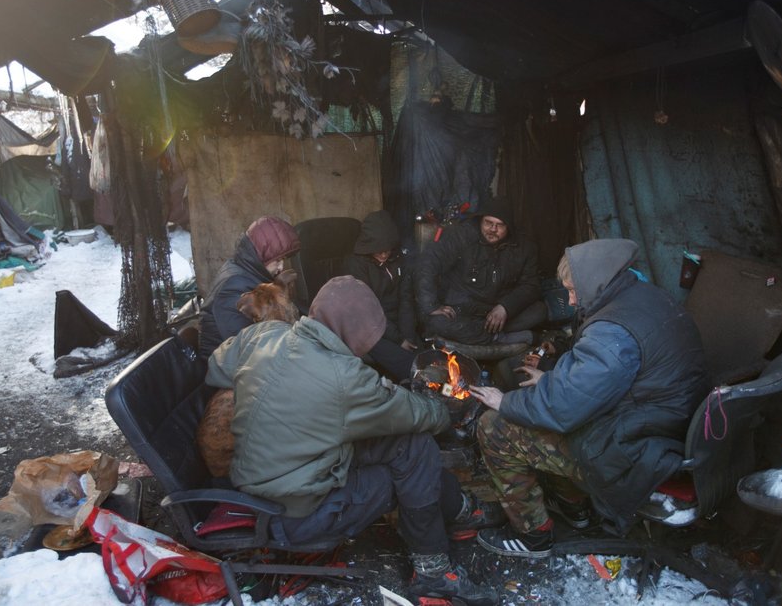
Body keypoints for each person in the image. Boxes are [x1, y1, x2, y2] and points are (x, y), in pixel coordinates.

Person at [206, 276, 501, 605]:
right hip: (298, 513)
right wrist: (443, 407)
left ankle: (457, 511)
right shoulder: (344, 378)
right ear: (354, 331)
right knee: (412, 458)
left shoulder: (264, 335)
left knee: (409, 449)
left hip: (267, 483)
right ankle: (434, 572)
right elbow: (418, 416)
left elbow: (216, 365)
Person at [469, 239, 709, 556]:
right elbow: (604, 380)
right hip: (659, 428)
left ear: (596, 282)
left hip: (636, 451)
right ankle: (576, 510)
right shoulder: (645, 297)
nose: (569, 300)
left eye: (572, 291)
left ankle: (534, 535)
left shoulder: (612, 331)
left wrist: (503, 402)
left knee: (494, 426)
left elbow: (563, 409)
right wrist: (552, 378)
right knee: (539, 401)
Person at [414, 196, 546, 347]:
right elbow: (428, 261)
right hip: (461, 308)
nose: (492, 230)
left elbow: (531, 285)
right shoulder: (462, 234)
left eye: (500, 225)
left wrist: (505, 308)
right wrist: (432, 305)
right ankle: (498, 337)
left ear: (509, 227)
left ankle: (487, 334)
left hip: (496, 310)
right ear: (481, 220)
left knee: (540, 311)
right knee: (436, 322)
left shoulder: (524, 247)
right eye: (488, 223)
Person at [198, 216, 300, 360]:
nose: (281, 267)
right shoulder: (233, 287)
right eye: (277, 260)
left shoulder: (245, 269)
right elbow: (247, 347)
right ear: (261, 254)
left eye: (284, 259)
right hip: (222, 371)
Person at [346, 210, 417, 381]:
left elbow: (405, 298)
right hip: (368, 324)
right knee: (406, 363)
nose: (384, 254)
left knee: (420, 354)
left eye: (388, 250)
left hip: (395, 319)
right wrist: (399, 339)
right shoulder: (356, 265)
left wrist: (407, 334)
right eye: (379, 250)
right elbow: (366, 309)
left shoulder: (397, 259)